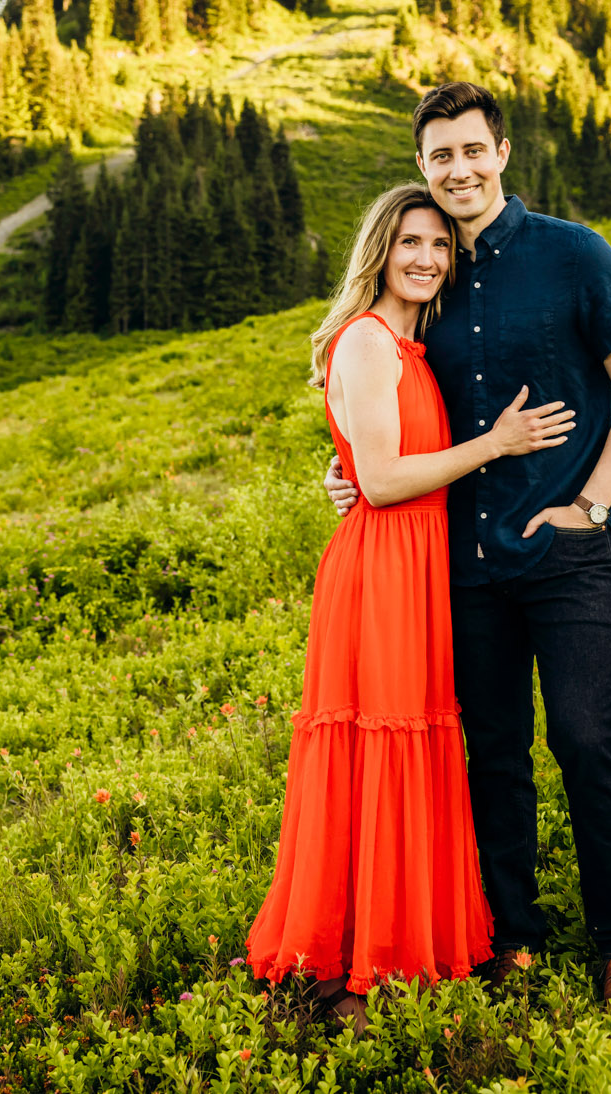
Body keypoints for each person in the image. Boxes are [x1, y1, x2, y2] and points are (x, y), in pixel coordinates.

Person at [325, 82, 611, 1009]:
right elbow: (393, 403)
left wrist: (593, 506)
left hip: (568, 550)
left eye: (473, 151)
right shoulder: (431, 272)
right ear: (424, 167)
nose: (459, 171)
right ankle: (513, 935)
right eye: (441, 157)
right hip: (463, 566)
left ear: (503, 152)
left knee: (588, 738)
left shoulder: (575, 256)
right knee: (495, 753)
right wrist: (353, 469)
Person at [247, 182, 579, 1035]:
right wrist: (497, 444)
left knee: (414, 748)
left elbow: (371, 463)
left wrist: (353, 469)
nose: (428, 258)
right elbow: (387, 481)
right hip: (384, 568)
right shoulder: (366, 341)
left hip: (421, 568)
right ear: (380, 253)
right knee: (377, 750)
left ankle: (395, 944)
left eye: (440, 245)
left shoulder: (409, 349)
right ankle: (348, 970)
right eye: (410, 244)